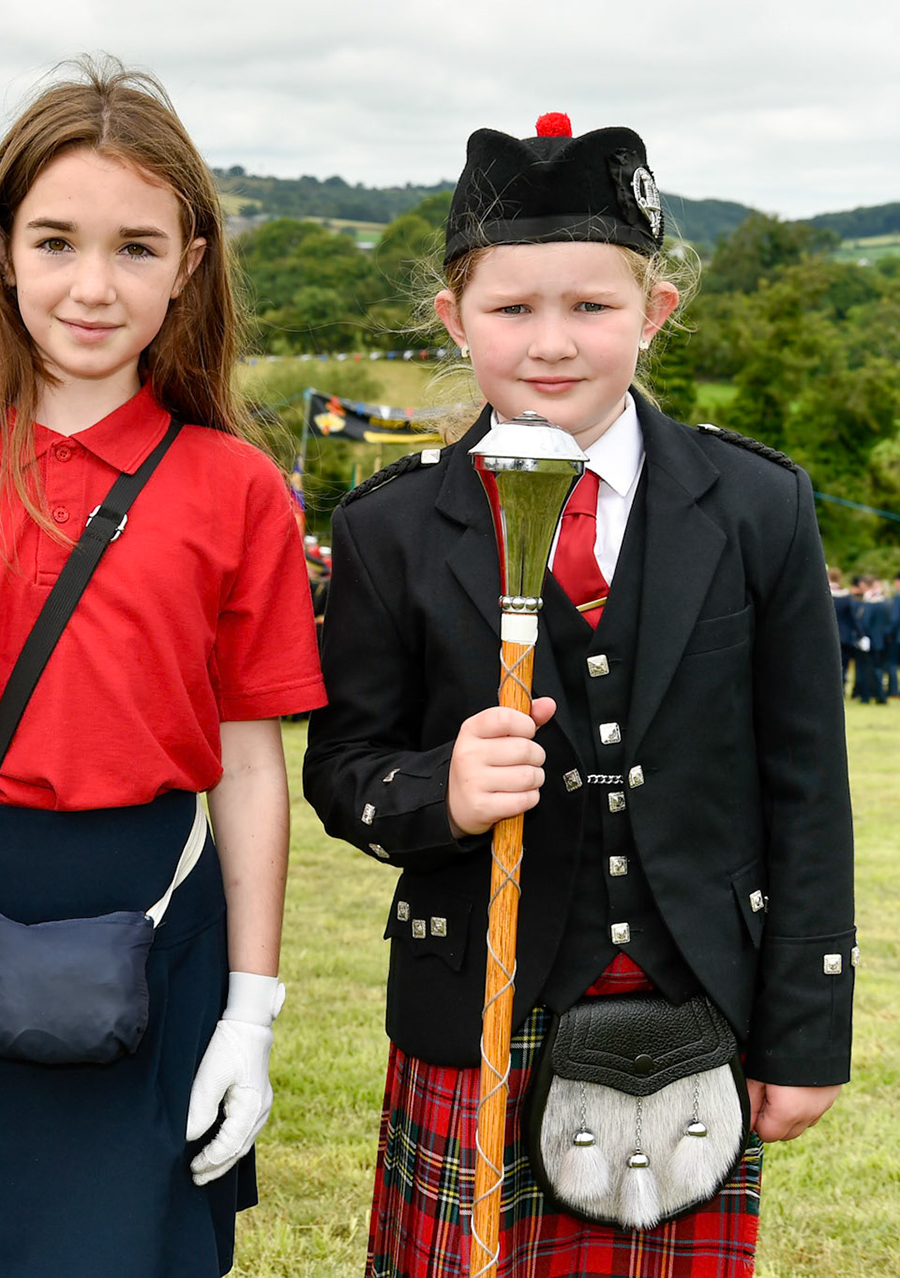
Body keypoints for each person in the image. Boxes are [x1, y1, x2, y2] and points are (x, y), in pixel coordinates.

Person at [0, 63, 324, 1277]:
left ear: (190, 262)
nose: (94, 286)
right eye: (57, 242)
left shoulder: (237, 488)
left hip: (165, 917)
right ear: (2, 253)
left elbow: (248, 768)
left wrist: (252, 1010)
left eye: (137, 247)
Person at [303, 114, 855, 1277]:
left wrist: (806, 1030)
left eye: (593, 307)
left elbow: (807, 789)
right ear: (455, 321)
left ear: (653, 312)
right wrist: (438, 791)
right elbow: (344, 770)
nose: (552, 343)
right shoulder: (391, 526)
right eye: (512, 310)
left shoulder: (759, 507)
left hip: (695, 997)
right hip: (481, 1009)